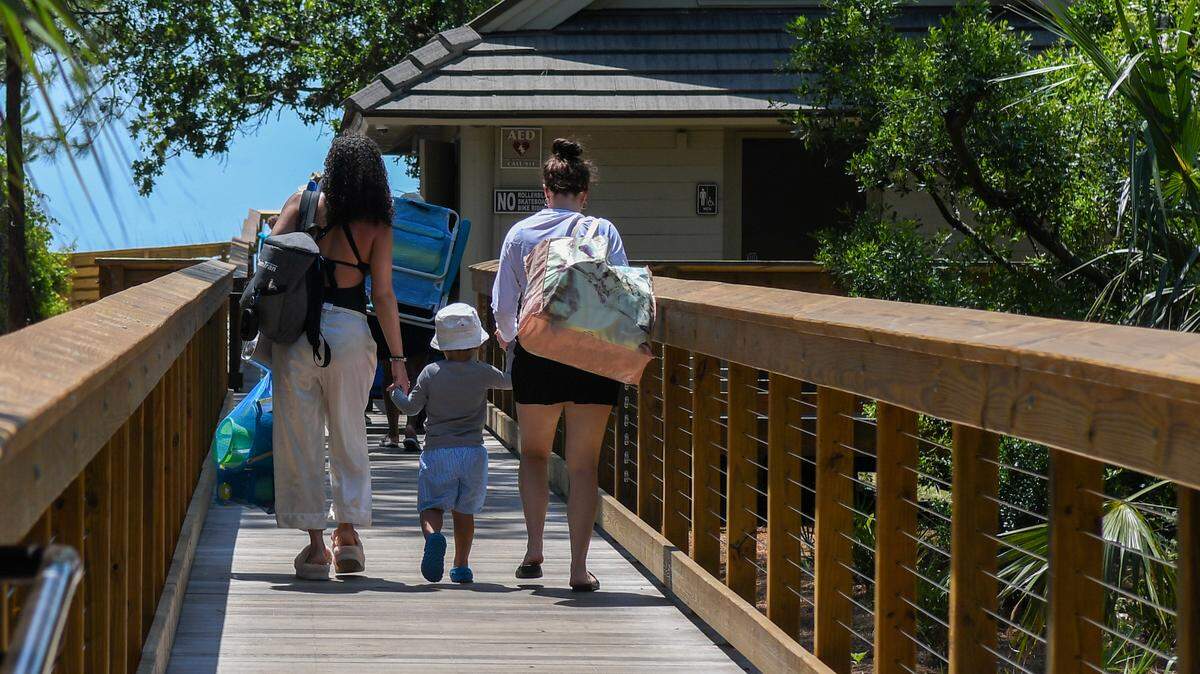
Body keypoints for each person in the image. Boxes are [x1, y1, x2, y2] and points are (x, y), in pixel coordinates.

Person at [269, 134, 409, 581]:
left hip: (297, 334)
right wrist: (399, 361)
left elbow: (269, 258)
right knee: (349, 434)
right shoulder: (376, 225)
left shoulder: (302, 202)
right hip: (349, 333)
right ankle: (347, 536)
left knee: (300, 439)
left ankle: (314, 549)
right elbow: (383, 297)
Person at [491, 138, 626, 592]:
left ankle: (533, 549)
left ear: (545, 190)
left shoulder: (521, 234)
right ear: (584, 194)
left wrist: (510, 339)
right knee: (584, 464)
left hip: (539, 355)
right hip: (592, 357)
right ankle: (578, 567)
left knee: (533, 454)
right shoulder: (603, 231)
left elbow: (504, 307)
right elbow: (623, 295)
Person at [389, 303, 511, 584]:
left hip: (437, 452)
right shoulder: (482, 371)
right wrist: (511, 351)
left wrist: (396, 393)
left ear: (442, 345)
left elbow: (410, 409)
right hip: (473, 453)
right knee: (464, 512)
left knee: (431, 506)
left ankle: (434, 537)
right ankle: (461, 565)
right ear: (475, 343)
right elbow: (509, 382)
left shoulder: (431, 372)